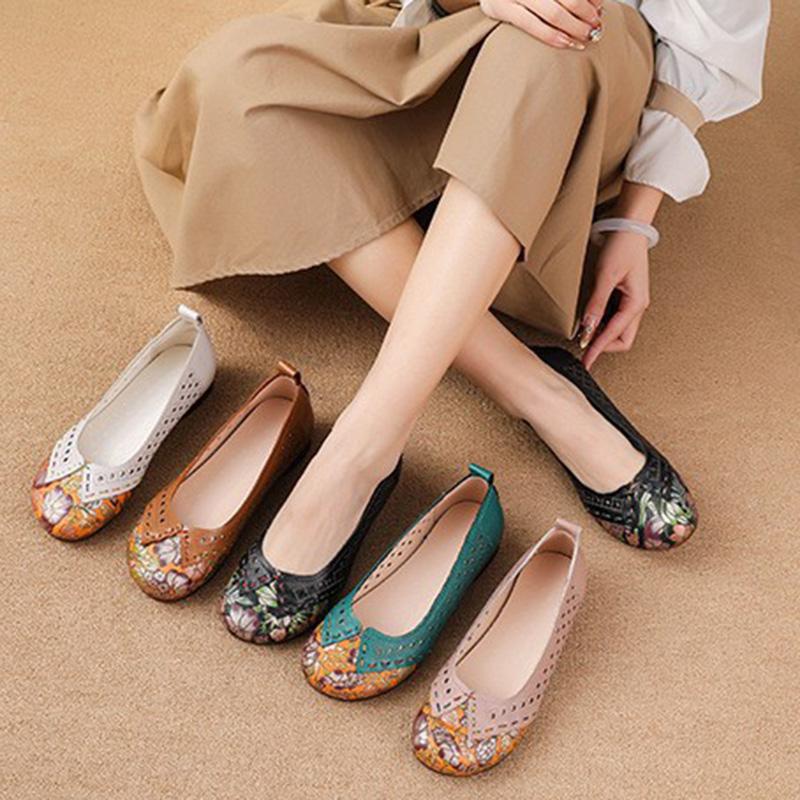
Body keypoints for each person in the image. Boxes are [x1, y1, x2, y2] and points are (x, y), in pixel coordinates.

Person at [134, 0, 769, 628]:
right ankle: (535, 386)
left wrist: (634, 220)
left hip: (576, 79)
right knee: (235, 77)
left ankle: (360, 452)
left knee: (555, 31)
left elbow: (711, 35)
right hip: (436, 34)